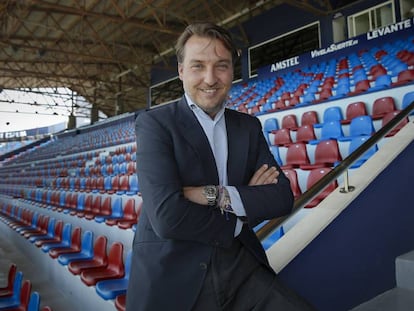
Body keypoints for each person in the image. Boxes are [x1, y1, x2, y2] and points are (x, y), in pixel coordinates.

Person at [126, 21, 315, 311]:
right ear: (181, 71)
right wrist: (241, 209)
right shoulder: (155, 124)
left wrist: (213, 194)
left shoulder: (248, 127)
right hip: (175, 274)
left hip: (241, 266)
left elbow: (281, 198)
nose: (210, 78)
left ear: (232, 71)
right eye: (198, 66)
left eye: (221, 66)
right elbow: (167, 216)